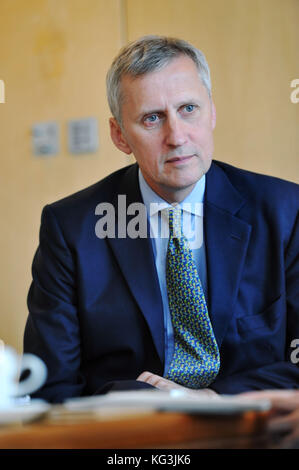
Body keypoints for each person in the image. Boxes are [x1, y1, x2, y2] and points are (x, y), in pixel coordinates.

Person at [23, 35, 299, 404]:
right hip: (127, 438)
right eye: (152, 118)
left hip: (253, 427)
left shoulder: (285, 210)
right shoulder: (70, 228)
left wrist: (213, 401)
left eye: (188, 109)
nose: (177, 136)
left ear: (212, 112)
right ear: (120, 136)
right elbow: (51, 384)